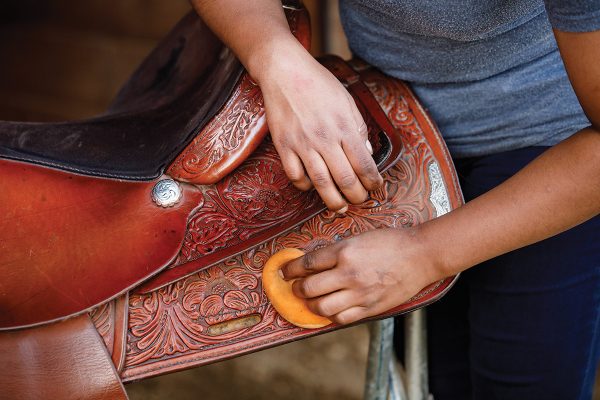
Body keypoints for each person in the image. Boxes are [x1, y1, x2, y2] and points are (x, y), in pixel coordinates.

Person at [191, 1, 600, 398]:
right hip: (391, 134)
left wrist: (425, 253)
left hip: (554, 154)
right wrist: (278, 60)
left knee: (527, 378)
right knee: (438, 379)